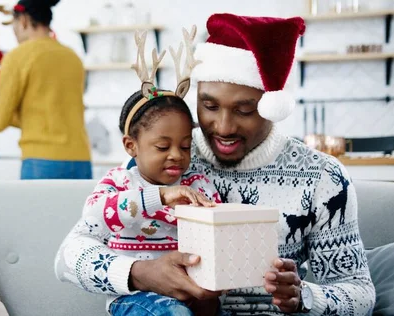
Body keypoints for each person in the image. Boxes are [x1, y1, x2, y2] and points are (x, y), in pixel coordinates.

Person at [55, 13, 375, 315]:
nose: (223, 127)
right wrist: (139, 273)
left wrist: (304, 296)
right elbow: (67, 260)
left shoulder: (321, 177)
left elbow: (360, 294)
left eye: (244, 110)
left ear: (271, 104)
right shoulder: (166, 159)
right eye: (209, 105)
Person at [0, 0, 92, 180]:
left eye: (14, 24)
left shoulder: (17, 57)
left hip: (41, 161)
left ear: (24, 20)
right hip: (81, 159)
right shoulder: (72, 57)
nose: (14, 30)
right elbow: (50, 114)